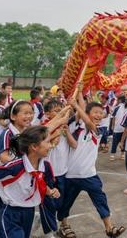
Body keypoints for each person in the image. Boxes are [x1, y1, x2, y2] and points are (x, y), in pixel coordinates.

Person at [58, 89, 126, 238]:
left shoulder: (100, 129)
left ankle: (109, 227)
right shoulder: (75, 127)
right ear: (87, 113)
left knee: (100, 199)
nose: (98, 115)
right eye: (95, 112)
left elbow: (87, 120)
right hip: (71, 174)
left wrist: (77, 104)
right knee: (65, 203)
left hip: (89, 174)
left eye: (101, 113)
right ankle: (64, 226)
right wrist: (79, 98)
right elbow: (75, 140)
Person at [0, 126, 60, 238]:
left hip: (29, 213)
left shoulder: (44, 165)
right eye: (47, 142)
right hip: (10, 214)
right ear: (34, 146)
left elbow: (38, 182)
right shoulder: (15, 166)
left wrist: (50, 191)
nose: (51, 145)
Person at [42, 100, 77, 237]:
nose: (61, 113)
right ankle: (49, 231)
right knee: (48, 204)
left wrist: (66, 132)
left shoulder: (66, 127)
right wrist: (55, 135)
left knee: (62, 202)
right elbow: (42, 142)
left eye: (61, 110)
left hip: (62, 172)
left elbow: (74, 145)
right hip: (48, 174)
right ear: (47, 114)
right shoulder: (44, 127)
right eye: (56, 111)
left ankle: (63, 224)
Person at [109, 94, 127, 161]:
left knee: (115, 142)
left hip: (117, 128)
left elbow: (113, 118)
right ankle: (122, 154)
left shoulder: (117, 108)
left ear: (119, 100)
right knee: (124, 142)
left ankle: (112, 155)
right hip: (125, 128)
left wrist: (112, 126)